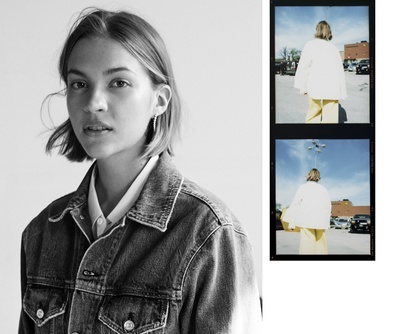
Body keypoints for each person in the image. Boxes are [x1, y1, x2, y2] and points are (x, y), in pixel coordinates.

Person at [18, 8, 262, 333]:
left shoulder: (208, 234)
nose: (93, 102)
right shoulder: (42, 233)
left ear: (159, 100)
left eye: (118, 82)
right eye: (79, 83)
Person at [294, 21, 347, 123]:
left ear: (317, 30)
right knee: (331, 118)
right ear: (329, 32)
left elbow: (304, 66)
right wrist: (342, 91)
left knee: (313, 115)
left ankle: (312, 136)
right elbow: (340, 71)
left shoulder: (310, 45)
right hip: (332, 87)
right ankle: (328, 136)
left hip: (315, 86)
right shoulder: (334, 48)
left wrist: (303, 86)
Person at [281, 168, 331, 254]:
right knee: (321, 244)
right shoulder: (323, 189)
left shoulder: (303, 187)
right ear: (318, 177)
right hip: (320, 221)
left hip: (306, 220)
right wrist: (326, 222)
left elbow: (295, 204)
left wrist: (291, 222)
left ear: (308, 176)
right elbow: (328, 206)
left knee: (307, 244)